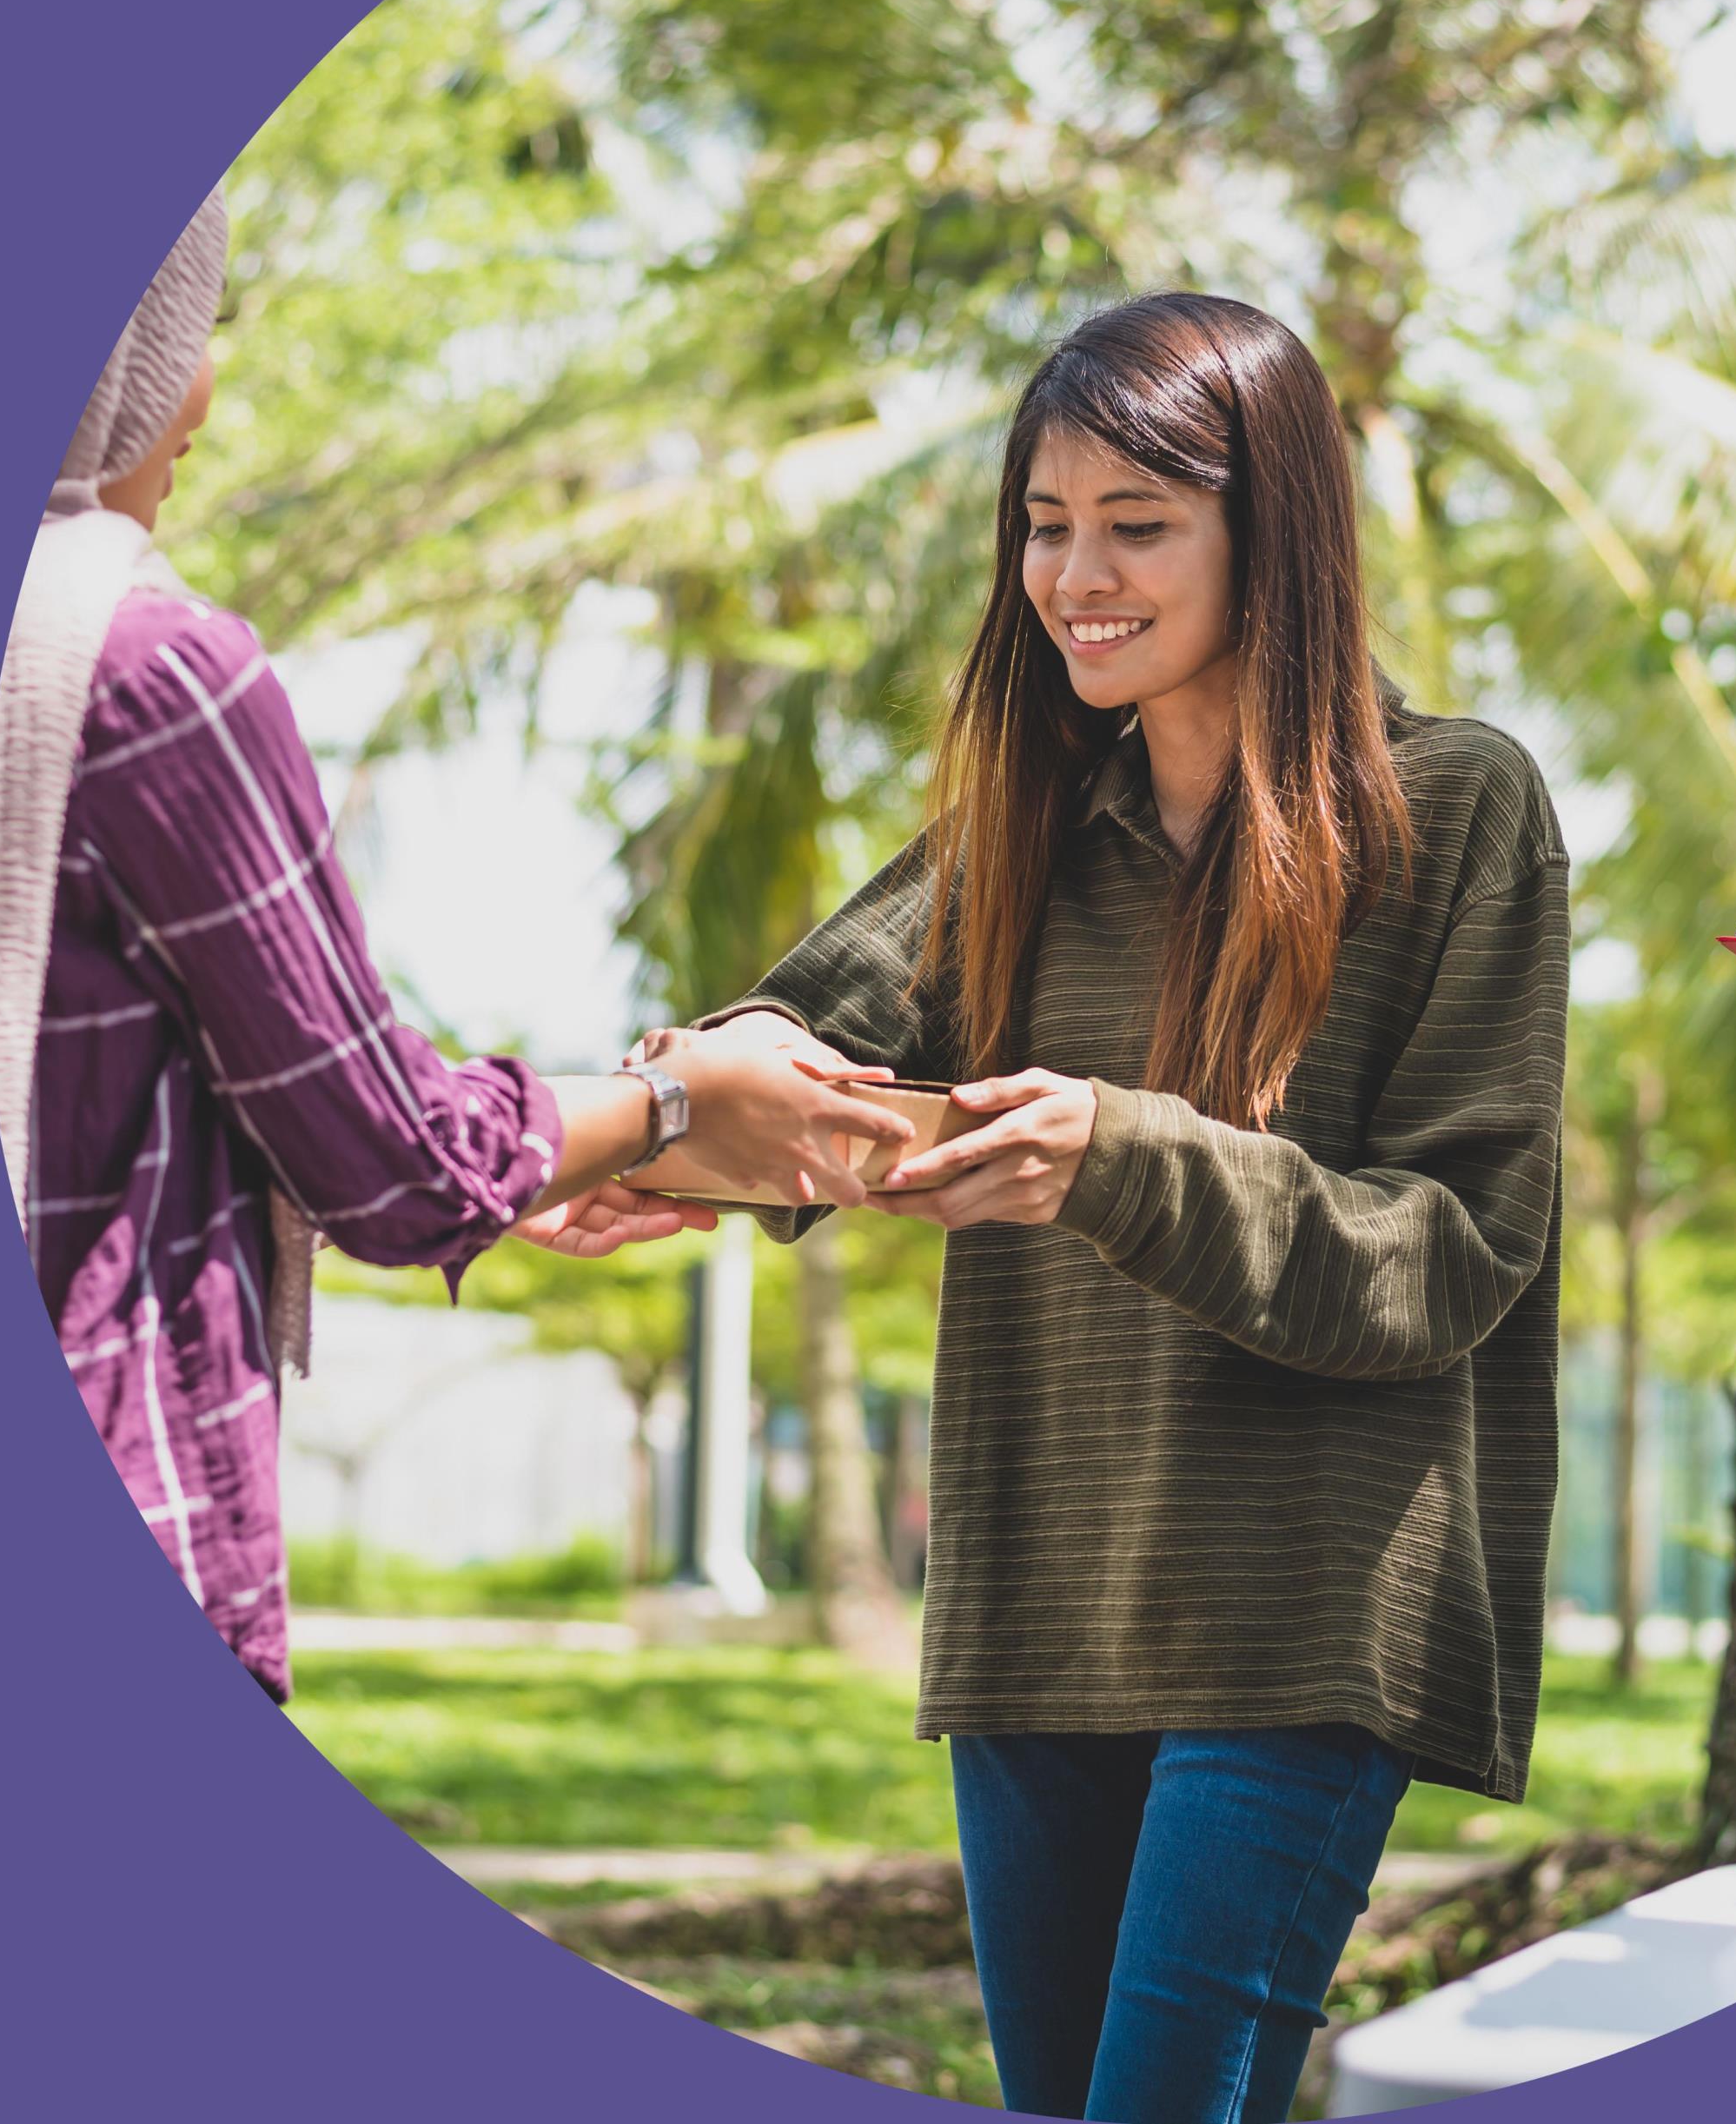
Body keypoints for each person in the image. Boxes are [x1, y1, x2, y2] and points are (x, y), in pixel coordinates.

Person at [640, 293, 1569, 2124]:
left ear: (1275, 535)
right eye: (1046, 524)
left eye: (1139, 524)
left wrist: (1118, 1156)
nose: (1077, 573)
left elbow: (1453, 1256)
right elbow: (799, 1027)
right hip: (1038, 1604)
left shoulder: (1457, 807)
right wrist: (659, 1141)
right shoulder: (1023, 829)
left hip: (1302, 1617)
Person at [0, 192, 916, 1699]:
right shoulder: (143, 668)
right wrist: (678, 1106)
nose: (205, 381)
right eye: (187, 325)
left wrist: (547, 1153)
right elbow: (395, 1163)